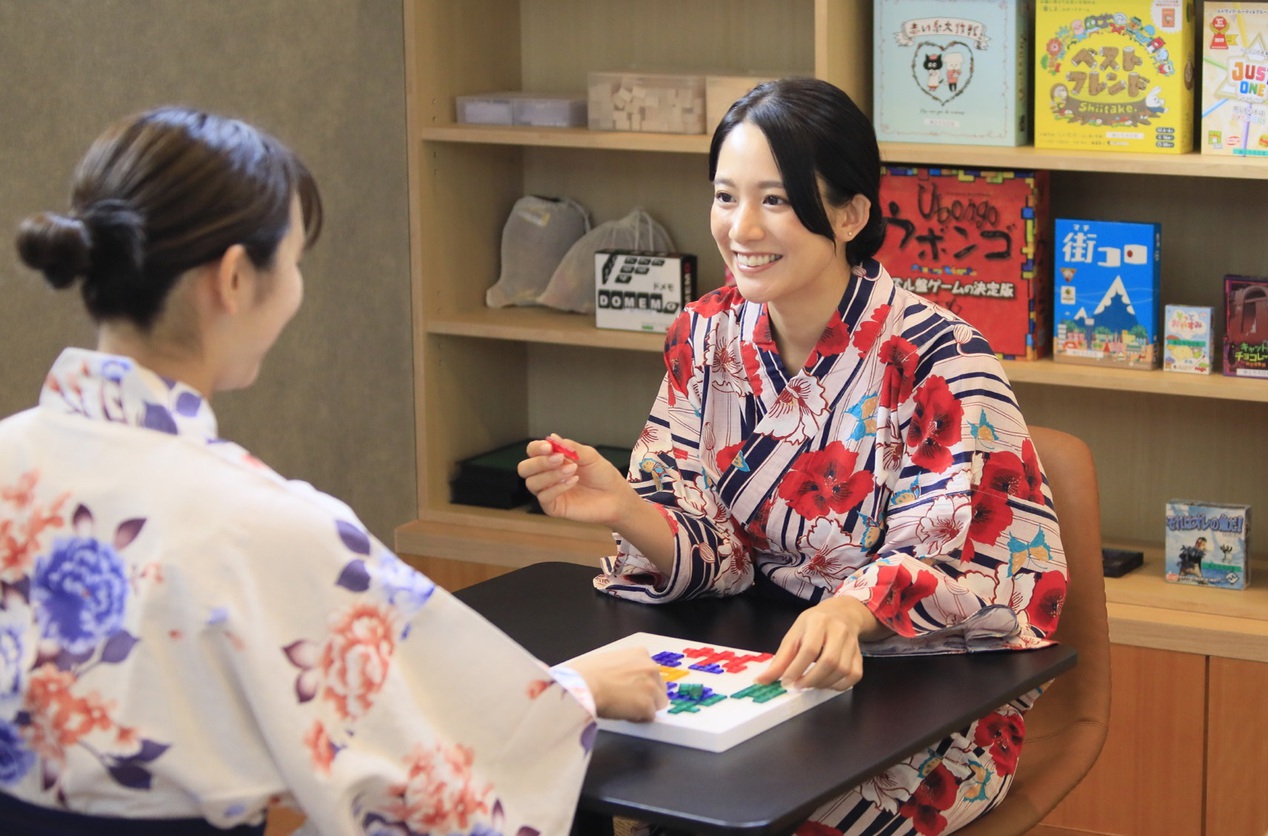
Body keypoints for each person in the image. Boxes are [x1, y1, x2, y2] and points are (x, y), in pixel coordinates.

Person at [2, 107, 667, 836]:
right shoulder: (263, 525)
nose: (295, 288)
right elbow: (418, 754)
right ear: (232, 278)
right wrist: (576, 691)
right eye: (292, 261)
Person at [519, 78, 1069, 835]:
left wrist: (853, 609)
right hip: (761, 673)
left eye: (775, 200)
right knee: (561, 762)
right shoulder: (704, 335)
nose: (741, 228)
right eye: (725, 196)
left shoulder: (941, 357)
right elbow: (718, 551)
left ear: (849, 214)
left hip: (925, 699)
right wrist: (624, 507)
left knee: (744, 816)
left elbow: (984, 574)